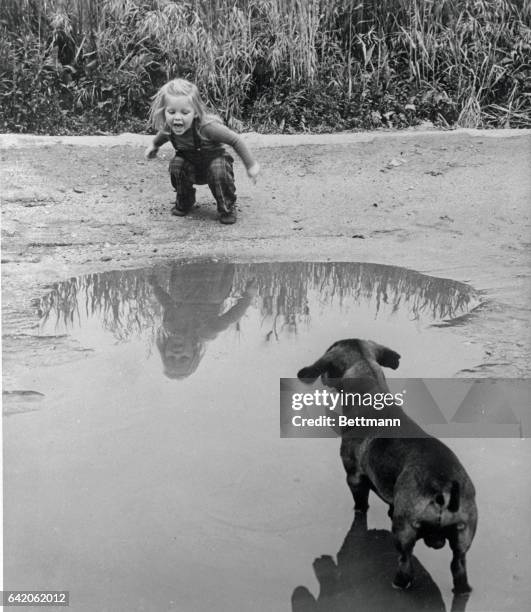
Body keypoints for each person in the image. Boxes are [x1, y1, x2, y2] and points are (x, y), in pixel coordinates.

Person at [144, 78, 260, 224]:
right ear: (164, 111)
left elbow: (235, 140)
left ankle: (227, 206)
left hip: (215, 163)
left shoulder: (207, 127)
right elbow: (161, 137)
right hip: (191, 166)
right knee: (176, 165)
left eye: (185, 112)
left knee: (219, 169)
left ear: (196, 113)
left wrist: (251, 166)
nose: (177, 117)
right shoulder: (169, 128)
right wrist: (154, 146)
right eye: (171, 112)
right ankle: (185, 200)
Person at [148, 262, 257, 379]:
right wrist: (248, 296)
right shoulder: (206, 332)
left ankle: (183, 262)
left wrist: (155, 287)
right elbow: (231, 317)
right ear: (194, 352)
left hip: (186, 279)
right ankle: (214, 261)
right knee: (213, 297)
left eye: (171, 357)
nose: (177, 353)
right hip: (213, 279)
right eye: (184, 358)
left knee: (177, 297)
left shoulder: (170, 325)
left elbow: (167, 303)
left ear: (164, 350)